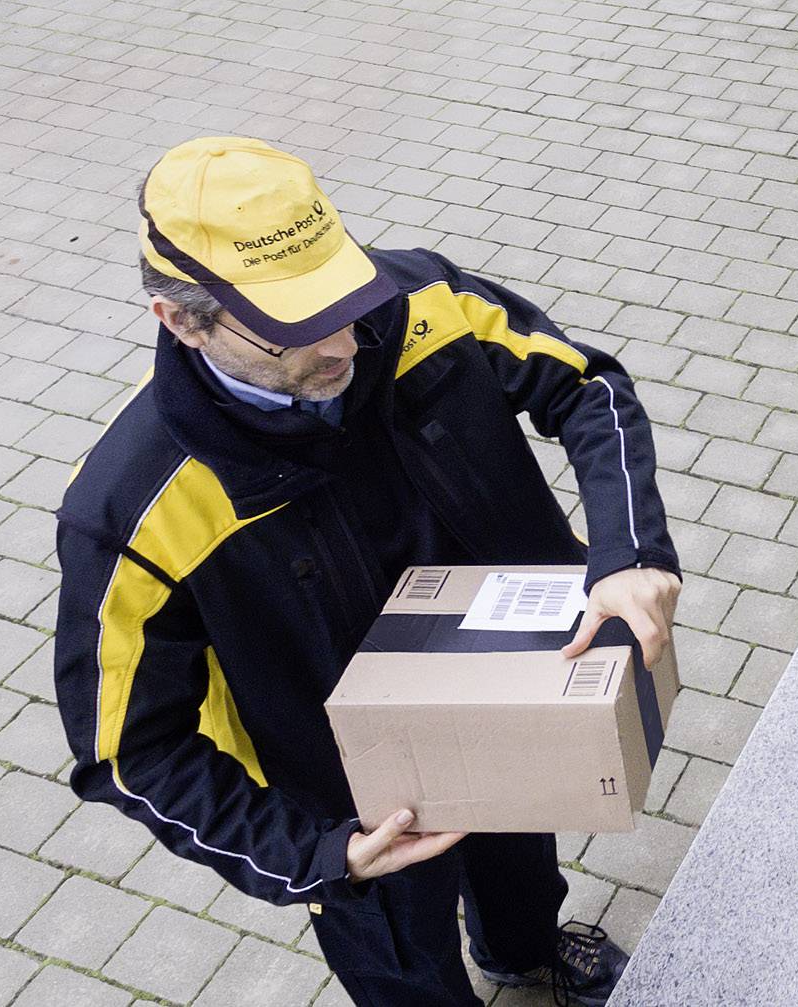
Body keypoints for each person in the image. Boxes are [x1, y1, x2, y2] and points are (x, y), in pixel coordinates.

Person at [52, 137, 681, 1007]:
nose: (348, 338)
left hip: (502, 697)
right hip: (344, 803)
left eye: (344, 294)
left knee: (522, 870)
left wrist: (630, 554)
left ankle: (524, 950)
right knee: (402, 967)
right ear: (182, 320)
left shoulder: (424, 302)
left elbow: (587, 389)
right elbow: (127, 753)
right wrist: (315, 854)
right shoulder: (136, 510)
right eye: (297, 325)